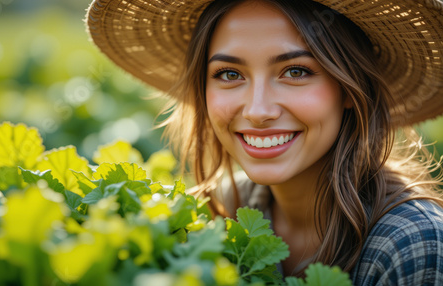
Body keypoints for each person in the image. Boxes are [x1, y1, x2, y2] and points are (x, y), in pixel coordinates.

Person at [86, 0, 443, 284]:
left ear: (351, 87)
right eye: (229, 74)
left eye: (296, 72)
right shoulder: (217, 212)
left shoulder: (412, 245)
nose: (258, 111)